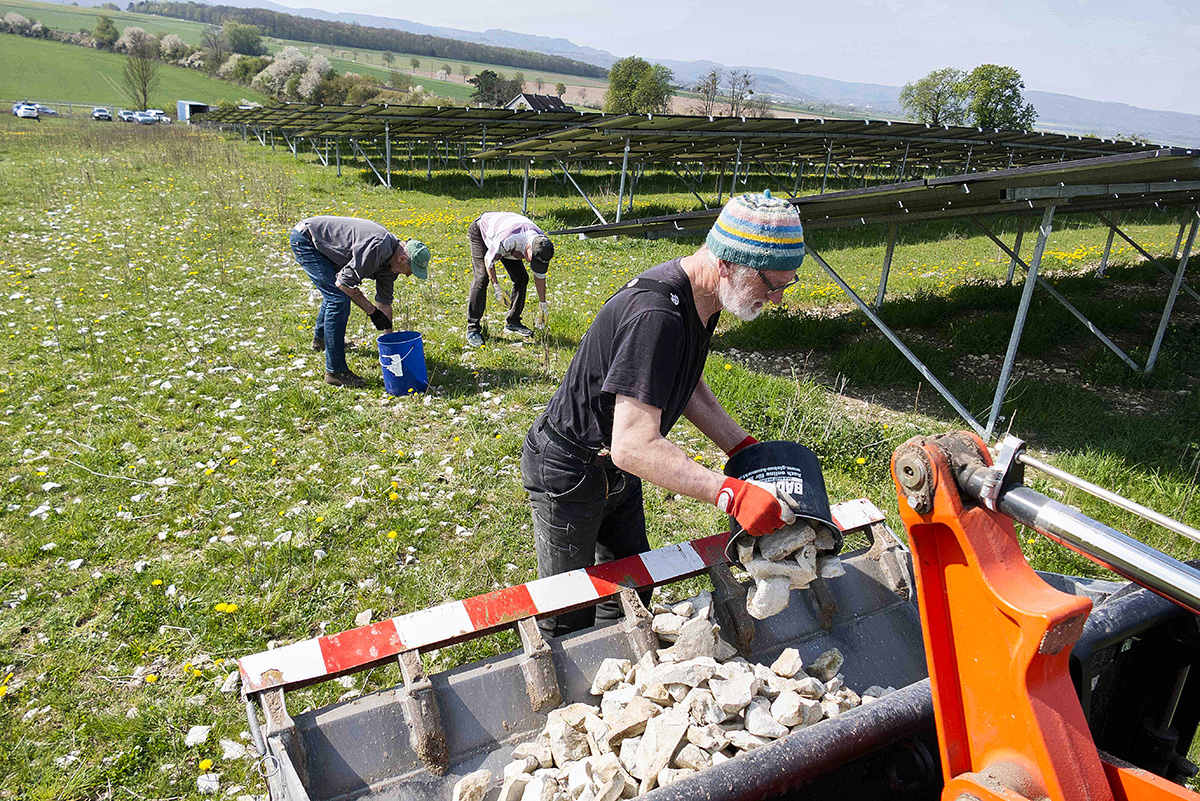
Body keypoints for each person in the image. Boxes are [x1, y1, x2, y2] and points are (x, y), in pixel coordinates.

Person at [521, 190, 807, 636]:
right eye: (771, 284)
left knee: (631, 588)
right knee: (569, 608)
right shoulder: (658, 315)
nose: (776, 299)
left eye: (786, 286)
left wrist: (741, 447)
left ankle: (615, 664)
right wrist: (729, 493)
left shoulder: (703, 299)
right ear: (727, 263)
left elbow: (683, 379)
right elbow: (632, 446)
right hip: (569, 466)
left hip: (607, 467)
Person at [290, 215, 430, 388]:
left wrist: (391, 347)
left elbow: (384, 302)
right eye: (411, 270)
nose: (409, 275)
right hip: (307, 239)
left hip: (327, 245)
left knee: (334, 294)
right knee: (338, 298)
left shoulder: (391, 265)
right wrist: (371, 311)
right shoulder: (378, 247)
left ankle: (322, 340)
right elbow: (344, 283)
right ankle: (335, 371)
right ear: (402, 259)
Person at [465, 212, 554, 347]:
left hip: (510, 244)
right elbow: (489, 260)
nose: (533, 263)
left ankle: (513, 322)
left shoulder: (542, 245)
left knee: (522, 278)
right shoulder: (509, 239)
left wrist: (543, 304)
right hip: (483, 231)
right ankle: (473, 328)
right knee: (482, 278)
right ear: (528, 248)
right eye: (532, 259)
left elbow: (540, 276)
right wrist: (496, 287)